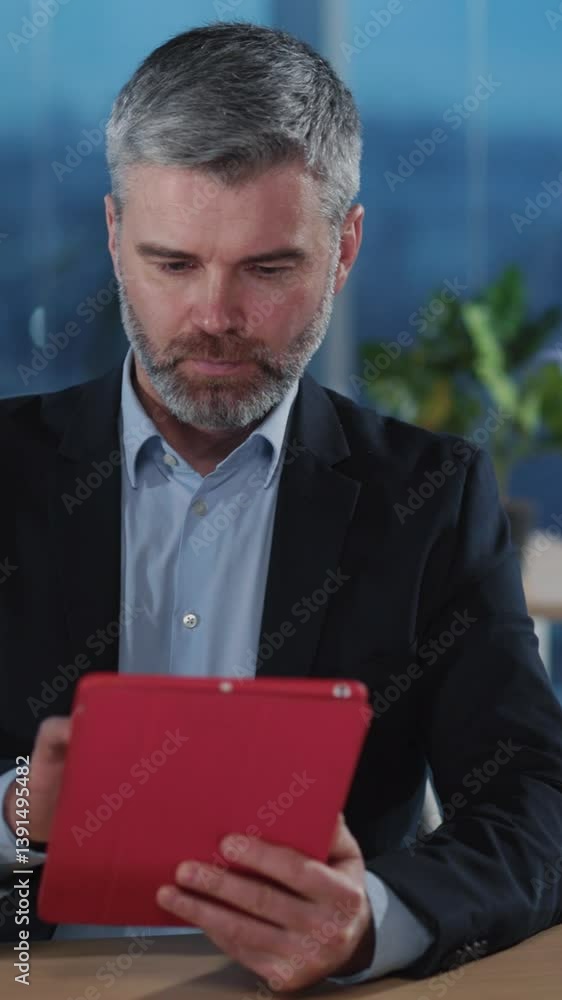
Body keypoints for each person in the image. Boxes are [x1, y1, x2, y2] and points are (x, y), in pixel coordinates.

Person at [0, 20, 561, 993]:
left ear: (344, 249)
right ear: (112, 236)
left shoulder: (429, 497)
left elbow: (536, 801)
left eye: (267, 269)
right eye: (173, 263)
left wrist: (371, 921)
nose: (214, 316)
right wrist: (17, 813)